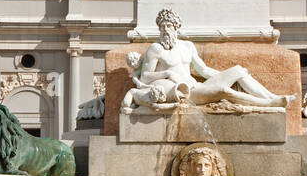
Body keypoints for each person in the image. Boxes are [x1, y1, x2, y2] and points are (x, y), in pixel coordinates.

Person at [122, 7, 294, 111]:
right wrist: (166, 73)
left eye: (169, 26)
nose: (166, 30)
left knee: (238, 71)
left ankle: (273, 97)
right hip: (185, 93)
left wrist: (226, 76)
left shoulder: (187, 46)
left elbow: (202, 70)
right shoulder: (156, 49)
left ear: (176, 28)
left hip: (197, 85)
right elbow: (145, 77)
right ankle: (267, 104)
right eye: (162, 27)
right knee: (223, 91)